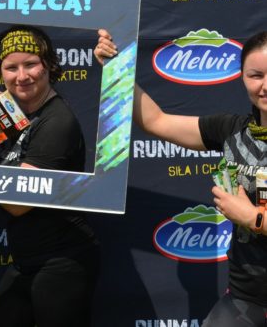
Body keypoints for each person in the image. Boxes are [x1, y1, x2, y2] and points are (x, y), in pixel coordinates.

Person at [95, 29, 267, 327]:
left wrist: (254, 218)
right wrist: (116, 69)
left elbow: (253, 218)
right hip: (246, 296)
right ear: (242, 77)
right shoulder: (231, 130)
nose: (265, 85)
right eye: (256, 75)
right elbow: (156, 121)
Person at [0, 25, 100, 327]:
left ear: (49, 65)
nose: (22, 76)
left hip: (63, 259)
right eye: (11, 67)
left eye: (31, 64)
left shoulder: (57, 122)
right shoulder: (7, 115)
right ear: (0, 73)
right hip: (26, 258)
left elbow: (19, 203)